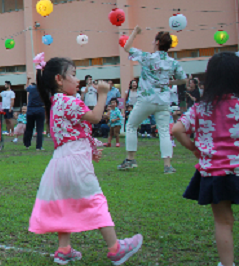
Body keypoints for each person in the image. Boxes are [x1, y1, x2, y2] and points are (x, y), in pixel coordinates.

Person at [29, 55, 143, 265]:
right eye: (73, 75)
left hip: (60, 162)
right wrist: (102, 95)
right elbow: (95, 117)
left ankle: (64, 249)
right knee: (95, 200)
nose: (77, 80)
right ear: (59, 79)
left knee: (65, 203)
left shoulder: (56, 102)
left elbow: (75, 132)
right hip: (74, 162)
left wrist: (91, 147)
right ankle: (115, 248)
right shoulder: (69, 100)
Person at [171, 52, 239, 266]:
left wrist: (194, 148)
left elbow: (177, 129)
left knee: (223, 221)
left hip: (215, 173)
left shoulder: (200, 108)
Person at [119, 26, 187, 173]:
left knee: (131, 126)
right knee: (163, 132)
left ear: (157, 42)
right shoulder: (172, 62)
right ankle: (167, 166)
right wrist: (170, 83)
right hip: (163, 101)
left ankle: (130, 160)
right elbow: (183, 80)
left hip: (146, 100)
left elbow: (127, 48)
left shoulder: (147, 57)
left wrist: (135, 33)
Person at [24, 76, 46, 150]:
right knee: (40, 129)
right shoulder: (44, 90)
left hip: (30, 110)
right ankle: (39, 146)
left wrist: (27, 80)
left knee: (29, 128)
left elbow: (25, 88)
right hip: (40, 109)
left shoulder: (32, 88)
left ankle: (27, 144)